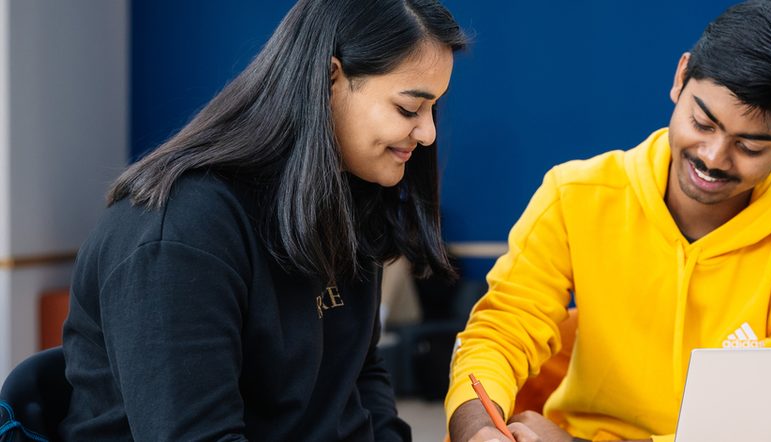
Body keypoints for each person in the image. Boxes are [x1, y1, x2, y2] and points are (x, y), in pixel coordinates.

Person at [445, 2, 771, 441]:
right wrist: (475, 430)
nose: (713, 157)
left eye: (750, 147)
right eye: (703, 122)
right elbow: (501, 331)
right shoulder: (576, 195)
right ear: (681, 78)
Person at [60, 0, 467, 440]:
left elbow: (358, 378)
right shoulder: (178, 232)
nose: (428, 134)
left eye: (433, 110)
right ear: (330, 78)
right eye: (409, 109)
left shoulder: (347, 201)